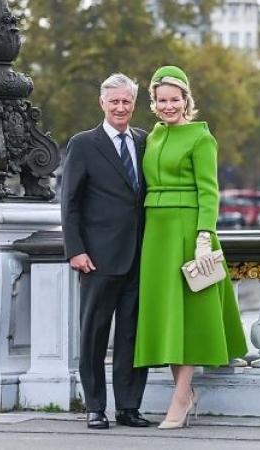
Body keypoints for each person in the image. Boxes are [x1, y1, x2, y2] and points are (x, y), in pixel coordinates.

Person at [134, 66, 248, 429]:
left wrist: (203, 236)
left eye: (175, 99)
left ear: (186, 100)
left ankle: (182, 395)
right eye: (162, 100)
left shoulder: (201, 138)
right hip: (156, 234)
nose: (169, 106)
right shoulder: (150, 138)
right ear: (153, 103)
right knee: (167, 314)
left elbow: (209, 192)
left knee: (189, 315)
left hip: (188, 234)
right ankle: (183, 392)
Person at [61, 73, 150, 429]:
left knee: (132, 334)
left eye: (126, 101)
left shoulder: (145, 141)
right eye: (114, 101)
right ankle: (95, 406)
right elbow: (69, 202)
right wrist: (75, 250)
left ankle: (129, 407)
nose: (120, 107)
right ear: (102, 104)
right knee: (95, 334)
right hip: (96, 257)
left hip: (140, 255)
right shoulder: (83, 144)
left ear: (134, 104)